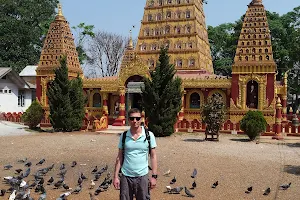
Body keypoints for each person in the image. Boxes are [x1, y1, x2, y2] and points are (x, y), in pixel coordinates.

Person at [113, 108, 158, 200]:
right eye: (132, 118)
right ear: (128, 119)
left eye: (137, 118)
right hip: (126, 176)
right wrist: (116, 177)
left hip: (142, 176)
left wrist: (154, 176)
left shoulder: (149, 135)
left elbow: (153, 156)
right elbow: (120, 157)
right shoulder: (124, 136)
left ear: (141, 119)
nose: (135, 121)